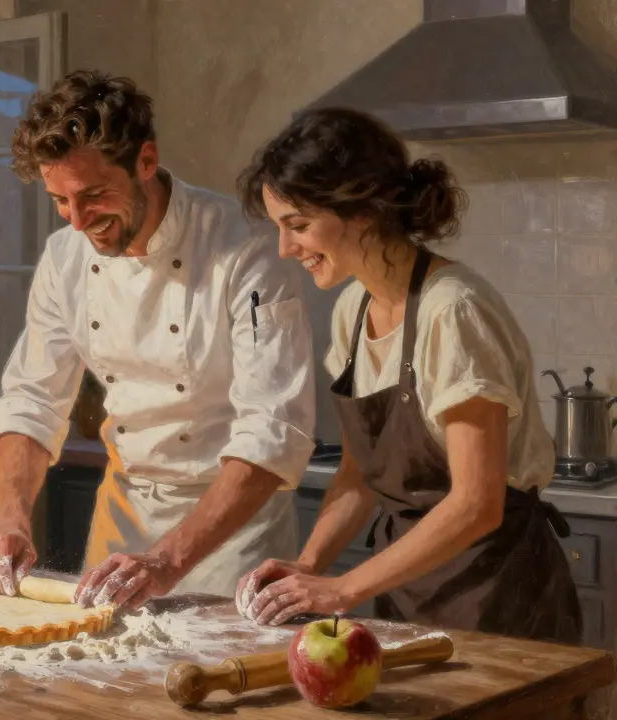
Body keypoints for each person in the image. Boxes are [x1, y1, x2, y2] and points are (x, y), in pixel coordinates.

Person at [0, 69, 319, 611]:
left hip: (230, 538)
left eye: (94, 196)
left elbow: (271, 431)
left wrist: (168, 560)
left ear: (146, 162)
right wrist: (10, 520)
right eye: (60, 200)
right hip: (122, 524)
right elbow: (32, 400)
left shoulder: (246, 250)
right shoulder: (66, 258)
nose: (79, 221)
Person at [234, 106, 581, 644]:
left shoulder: (453, 312)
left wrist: (344, 589)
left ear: (363, 211)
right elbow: (357, 476)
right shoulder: (353, 311)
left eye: (298, 226)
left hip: (499, 598)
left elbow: (476, 503)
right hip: (409, 593)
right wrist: (309, 564)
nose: (285, 248)